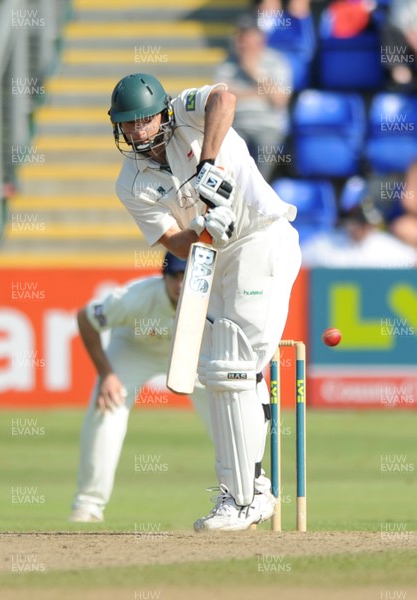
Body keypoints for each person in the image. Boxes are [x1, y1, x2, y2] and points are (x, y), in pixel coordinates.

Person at [107, 72, 301, 531]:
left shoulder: (189, 111)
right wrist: (207, 232)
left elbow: (224, 97)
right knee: (219, 369)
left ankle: (245, 497)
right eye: (128, 123)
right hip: (216, 254)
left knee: (235, 360)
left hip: (262, 237)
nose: (138, 131)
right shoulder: (129, 182)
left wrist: (208, 164)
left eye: (145, 120)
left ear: (162, 114)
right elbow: (175, 243)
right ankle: (248, 490)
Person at [69, 252, 211, 523]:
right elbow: (85, 319)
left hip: (191, 353)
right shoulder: (135, 297)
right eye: (175, 276)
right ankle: (88, 505)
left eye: (186, 276)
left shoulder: (213, 298)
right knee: (106, 407)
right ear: (164, 278)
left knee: (225, 408)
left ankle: (244, 496)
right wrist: (107, 374)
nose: (180, 283)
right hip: (135, 348)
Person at [214, 16, 293, 180]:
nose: (242, 43)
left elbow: (280, 99)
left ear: (260, 41)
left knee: (266, 150)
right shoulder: (227, 64)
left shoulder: (277, 62)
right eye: (240, 38)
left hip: (268, 126)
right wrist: (258, 92)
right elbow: (219, 98)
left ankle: (255, 199)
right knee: (223, 148)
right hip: (235, 125)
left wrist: (254, 72)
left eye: (247, 39)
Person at [301, 177, 417, 268]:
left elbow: (412, 261)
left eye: (364, 221)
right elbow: (299, 259)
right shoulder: (325, 246)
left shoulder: (388, 249)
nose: (359, 226)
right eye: (354, 216)